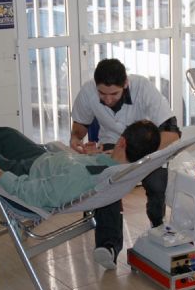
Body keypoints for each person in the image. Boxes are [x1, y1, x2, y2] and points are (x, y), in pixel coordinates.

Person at [0, 111, 161, 269]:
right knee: (7, 134)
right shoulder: (119, 169)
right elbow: (84, 169)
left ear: (122, 142)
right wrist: (93, 156)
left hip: (22, 174)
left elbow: (34, 193)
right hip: (42, 159)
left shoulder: (87, 177)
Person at [68, 58, 180, 265]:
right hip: (112, 145)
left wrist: (138, 150)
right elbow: (79, 127)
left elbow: (173, 133)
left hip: (149, 145)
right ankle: (108, 246)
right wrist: (76, 140)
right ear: (95, 86)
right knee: (107, 185)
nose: (108, 99)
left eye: (114, 94)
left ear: (125, 84)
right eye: (102, 94)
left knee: (156, 186)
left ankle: (158, 227)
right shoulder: (87, 92)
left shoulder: (143, 88)